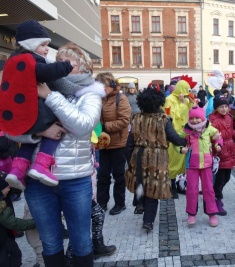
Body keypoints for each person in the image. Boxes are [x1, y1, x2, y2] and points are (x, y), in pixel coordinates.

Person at [7, 42, 106, 266]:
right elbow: (12, 130)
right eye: (58, 61)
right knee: (50, 243)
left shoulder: (89, 94)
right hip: (38, 183)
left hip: (75, 180)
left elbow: (83, 126)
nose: (62, 66)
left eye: (69, 63)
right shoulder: (37, 86)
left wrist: (50, 95)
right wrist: (39, 132)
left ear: (82, 68)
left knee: (81, 242)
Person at [1, 20, 77, 191]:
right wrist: (65, 66)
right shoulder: (32, 60)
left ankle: (17, 170)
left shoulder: (12, 59)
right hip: (36, 109)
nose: (46, 49)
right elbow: (45, 72)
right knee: (55, 129)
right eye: (43, 44)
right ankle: (42, 166)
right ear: (31, 44)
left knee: (30, 140)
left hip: (19, 111)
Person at [125, 86, 187, 231]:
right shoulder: (163, 119)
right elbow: (174, 138)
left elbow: (129, 143)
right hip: (157, 159)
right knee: (153, 188)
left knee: (141, 182)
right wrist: (186, 140)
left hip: (138, 156)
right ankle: (148, 221)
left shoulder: (137, 118)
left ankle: (140, 204)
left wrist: (130, 160)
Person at [179, 103, 222, 227]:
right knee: (192, 190)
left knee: (208, 189)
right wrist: (180, 148)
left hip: (207, 164)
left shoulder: (209, 128)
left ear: (202, 118)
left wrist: (218, 143)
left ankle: (212, 213)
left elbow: (219, 137)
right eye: (192, 118)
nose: (194, 120)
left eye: (197, 118)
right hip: (191, 164)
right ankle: (191, 213)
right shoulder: (186, 130)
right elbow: (177, 140)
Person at [95, 72, 131, 215]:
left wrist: (105, 127)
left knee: (118, 175)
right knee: (103, 175)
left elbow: (124, 120)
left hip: (118, 144)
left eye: (102, 86)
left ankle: (120, 203)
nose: (100, 89)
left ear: (110, 85)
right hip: (102, 143)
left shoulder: (121, 99)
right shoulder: (97, 98)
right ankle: (102, 202)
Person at [209, 96, 235, 216]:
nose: (224, 109)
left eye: (225, 106)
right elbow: (211, 135)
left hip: (230, 149)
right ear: (216, 108)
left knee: (227, 177)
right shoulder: (213, 119)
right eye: (221, 107)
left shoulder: (229, 117)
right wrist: (215, 144)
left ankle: (214, 196)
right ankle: (216, 200)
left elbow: (232, 132)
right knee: (220, 179)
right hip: (220, 150)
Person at [164, 75, 197, 199]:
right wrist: (183, 104)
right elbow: (171, 115)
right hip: (174, 134)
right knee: (173, 161)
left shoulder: (186, 99)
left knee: (183, 161)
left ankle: (180, 185)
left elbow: (192, 113)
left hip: (186, 132)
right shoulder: (169, 99)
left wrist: (191, 103)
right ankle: (170, 187)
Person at [0, 173, 36, 267]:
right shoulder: (1, 206)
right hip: (3, 240)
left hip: (6, 236)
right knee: (12, 257)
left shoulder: (4, 199)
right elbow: (12, 222)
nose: (9, 189)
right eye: (8, 188)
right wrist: (34, 223)